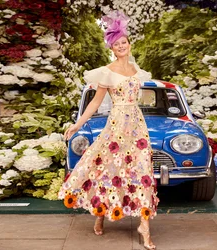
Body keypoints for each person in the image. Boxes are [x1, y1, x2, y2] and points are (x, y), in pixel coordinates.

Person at [58, 10, 159, 250]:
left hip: (137, 125)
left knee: (142, 170)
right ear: (112, 49)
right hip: (116, 126)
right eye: (116, 44)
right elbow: (94, 102)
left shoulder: (137, 70)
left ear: (129, 44)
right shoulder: (107, 71)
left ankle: (144, 226)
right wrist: (77, 124)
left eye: (123, 42)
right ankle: (101, 211)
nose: (121, 46)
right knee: (108, 168)